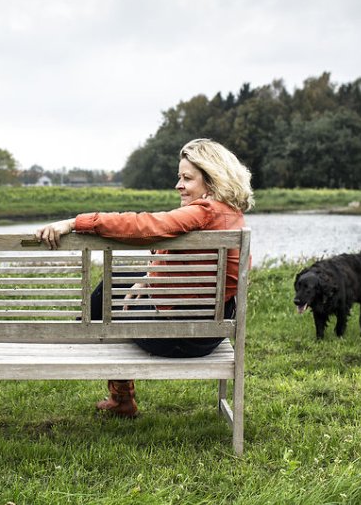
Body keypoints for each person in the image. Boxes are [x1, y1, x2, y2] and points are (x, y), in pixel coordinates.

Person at [35, 138, 254, 418]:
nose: (179, 185)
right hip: (209, 332)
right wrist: (148, 278)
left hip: (178, 337)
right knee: (121, 281)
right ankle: (89, 349)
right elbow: (195, 273)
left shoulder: (205, 211)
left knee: (107, 300)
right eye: (179, 177)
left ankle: (78, 347)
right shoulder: (230, 214)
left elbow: (144, 225)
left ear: (211, 181)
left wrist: (75, 223)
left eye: (187, 178)